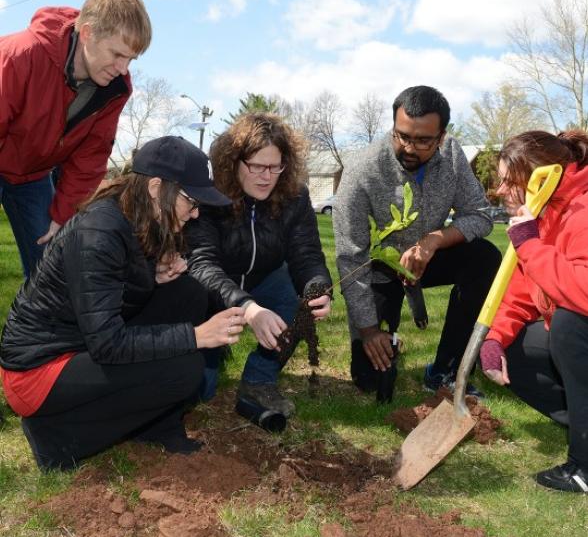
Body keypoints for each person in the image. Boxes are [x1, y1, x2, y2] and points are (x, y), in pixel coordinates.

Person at [0, 136, 245, 471]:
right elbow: (108, 344)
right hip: (37, 371)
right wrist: (197, 336)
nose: (196, 212)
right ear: (157, 187)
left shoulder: (133, 215)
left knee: (187, 294)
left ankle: (158, 427)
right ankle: (55, 437)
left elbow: (107, 295)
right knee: (186, 370)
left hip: (78, 345)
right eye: (191, 200)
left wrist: (154, 277)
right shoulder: (98, 231)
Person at [333, 85, 501, 399]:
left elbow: (480, 215)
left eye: (423, 140)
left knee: (484, 257)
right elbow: (349, 257)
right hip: (379, 270)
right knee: (370, 380)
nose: (409, 149)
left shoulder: (452, 155)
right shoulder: (362, 170)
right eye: (402, 136)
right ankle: (377, 339)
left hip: (428, 261)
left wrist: (435, 239)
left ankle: (445, 371)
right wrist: (369, 331)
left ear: (441, 137)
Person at [186, 112, 332, 417]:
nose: (266, 176)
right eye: (256, 166)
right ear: (234, 162)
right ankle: (211, 352)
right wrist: (250, 310)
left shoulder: (295, 197)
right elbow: (201, 265)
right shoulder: (209, 197)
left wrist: (318, 287)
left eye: (275, 167)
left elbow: (306, 253)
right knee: (199, 392)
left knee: (297, 300)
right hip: (210, 290)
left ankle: (259, 379)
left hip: (265, 278)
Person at [0, 0, 151, 277]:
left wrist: (62, 214)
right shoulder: (20, 56)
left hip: (32, 177)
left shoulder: (116, 89)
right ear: (88, 33)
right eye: (117, 54)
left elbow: (91, 155)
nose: (123, 68)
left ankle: (36, 324)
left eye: (131, 59)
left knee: (53, 264)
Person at [480, 130, 588, 493]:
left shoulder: (582, 210)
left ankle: (585, 465)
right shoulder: (543, 215)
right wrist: (495, 338)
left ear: (542, 178)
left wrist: (530, 244)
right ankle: (581, 423)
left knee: (569, 325)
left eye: (510, 182)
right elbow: (524, 292)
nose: (499, 191)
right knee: (517, 348)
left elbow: (584, 293)